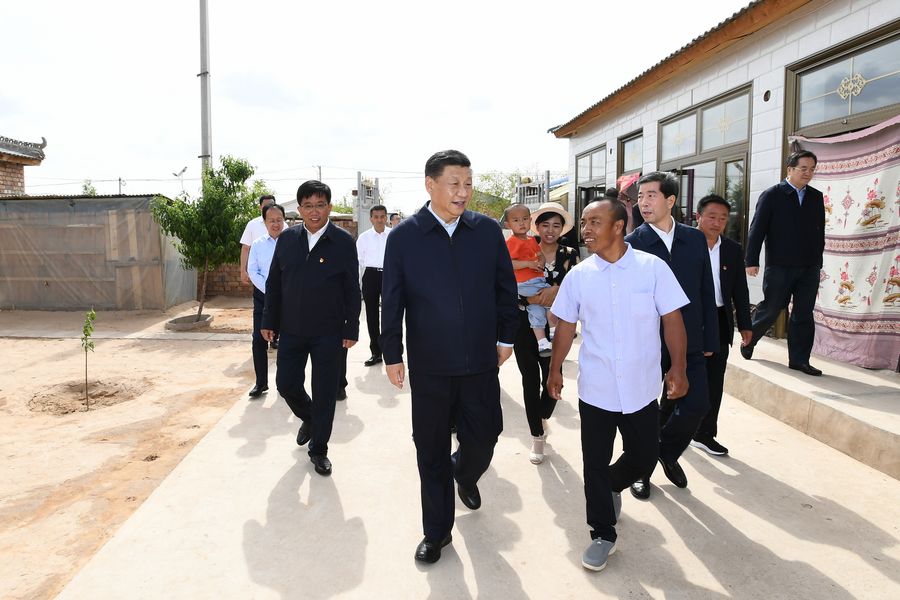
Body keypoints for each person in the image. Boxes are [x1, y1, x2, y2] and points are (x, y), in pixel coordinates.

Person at [380, 150, 519, 564]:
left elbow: (505, 288)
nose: (463, 192)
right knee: (430, 448)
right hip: (431, 366)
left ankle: (465, 472)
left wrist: (506, 337)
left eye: (468, 184)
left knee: (487, 434)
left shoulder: (486, 231)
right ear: (431, 185)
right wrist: (392, 354)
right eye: (454, 184)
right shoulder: (404, 237)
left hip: (480, 359)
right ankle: (437, 532)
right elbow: (392, 300)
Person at [548, 198, 689, 572]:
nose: (586, 229)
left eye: (595, 221)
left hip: (641, 387)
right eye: (583, 222)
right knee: (593, 461)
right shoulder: (579, 276)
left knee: (644, 456)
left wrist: (678, 367)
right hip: (596, 388)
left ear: (618, 226)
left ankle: (610, 484)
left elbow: (673, 320)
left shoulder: (652, 269)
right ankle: (602, 532)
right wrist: (555, 369)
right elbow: (566, 325)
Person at [625, 171, 718, 500]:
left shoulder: (694, 239)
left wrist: (710, 339)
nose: (643, 202)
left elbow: (706, 290)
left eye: (651, 195)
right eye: (640, 196)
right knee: (643, 411)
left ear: (670, 200)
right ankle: (639, 469)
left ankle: (665, 452)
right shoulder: (633, 243)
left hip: (689, 338)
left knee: (697, 404)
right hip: (647, 341)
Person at [261, 180, 361, 477]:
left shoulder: (343, 242)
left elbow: (351, 289)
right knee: (286, 384)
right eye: (308, 206)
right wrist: (268, 320)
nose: (314, 211)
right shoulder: (287, 239)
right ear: (299, 209)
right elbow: (274, 283)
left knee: (325, 392)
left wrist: (352, 327)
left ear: (329, 207)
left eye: (320, 205)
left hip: (329, 332)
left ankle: (319, 449)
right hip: (292, 328)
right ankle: (311, 418)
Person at [742, 150, 825, 376]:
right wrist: (751, 260)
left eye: (812, 169)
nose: (808, 173)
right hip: (780, 265)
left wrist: (818, 260)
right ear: (790, 169)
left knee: (803, 313)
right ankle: (749, 339)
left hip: (809, 266)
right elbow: (757, 229)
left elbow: (819, 231)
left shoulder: (816, 197)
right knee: (772, 308)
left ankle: (799, 360)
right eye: (803, 168)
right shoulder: (772, 195)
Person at [511, 201, 579, 465]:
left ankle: (542, 416)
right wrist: (529, 300)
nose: (550, 230)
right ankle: (537, 436)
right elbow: (506, 283)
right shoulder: (525, 249)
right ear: (536, 227)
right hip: (523, 325)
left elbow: (576, 288)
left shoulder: (570, 254)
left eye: (556, 226)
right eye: (545, 225)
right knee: (529, 379)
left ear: (562, 229)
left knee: (553, 376)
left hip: (557, 326)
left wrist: (556, 291)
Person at [691, 195, 752, 455]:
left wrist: (745, 324)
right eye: (712, 216)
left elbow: (740, 288)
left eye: (723, 218)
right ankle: (666, 429)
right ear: (698, 217)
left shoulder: (731, 249)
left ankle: (704, 433)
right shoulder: (683, 243)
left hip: (719, 319)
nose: (717, 223)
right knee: (680, 375)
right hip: (688, 318)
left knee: (714, 380)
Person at [504, 203, 556, 358]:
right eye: (516, 220)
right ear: (508, 224)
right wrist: (528, 264)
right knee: (549, 301)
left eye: (525, 219)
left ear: (530, 220)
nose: (521, 223)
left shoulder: (531, 239)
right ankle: (554, 331)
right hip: (525, 283)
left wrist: (541, 260)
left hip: (535, 280)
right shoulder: (511, 242)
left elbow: (539, 254)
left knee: (538, 310)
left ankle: (543, 342)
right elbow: (509, 263)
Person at [246, 203, 285, 398]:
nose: (276, 224)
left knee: (287, 342)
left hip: (288, 298)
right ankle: (261, 383)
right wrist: (270, 290)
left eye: (279, 220)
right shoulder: (258, 244)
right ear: (264, 222)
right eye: (271, 221)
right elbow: (252, 270)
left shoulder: (293, 242)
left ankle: (285, 383)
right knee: (258, 340)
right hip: (263, 298)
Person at [241, 194, 278, 348]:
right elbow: (245, 248)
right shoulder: (252, 224)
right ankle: (261, 339)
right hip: (260, 282)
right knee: (261, 316)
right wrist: (243, 271)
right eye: (266, 204)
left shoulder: (283, 225)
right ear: (260, 207)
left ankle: (275, 339)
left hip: (280, 284)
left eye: (272, 204)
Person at [356, 205, 391, 367]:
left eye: (382, 216)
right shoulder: (364, 238)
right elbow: (358, 262)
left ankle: (392, 351)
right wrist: (357, 284)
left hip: (389, 275)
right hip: (370, 276)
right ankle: (376, 353)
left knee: (391, 315)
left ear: (386, 217)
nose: (379, 220)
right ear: (371, 218)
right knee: (371, 315)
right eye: (376, 217)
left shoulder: (393, 235)